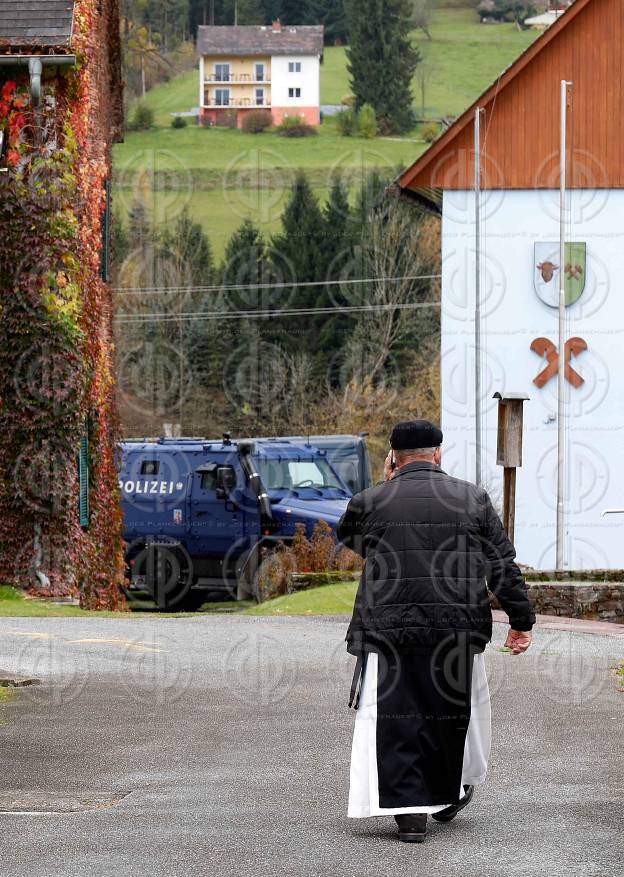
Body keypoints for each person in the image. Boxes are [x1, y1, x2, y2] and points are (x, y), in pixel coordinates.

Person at [337, 419, 534, 844]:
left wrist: (386, 488)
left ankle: (410, 814)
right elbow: (501, 565)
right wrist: (520, 621)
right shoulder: (473, 499)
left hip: (390, 626)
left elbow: (353, 541)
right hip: (456, 628)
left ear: (393, 458)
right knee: (450, 715)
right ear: (438, 454)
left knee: (398, 718)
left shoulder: (370, 501)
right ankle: (446, 795)